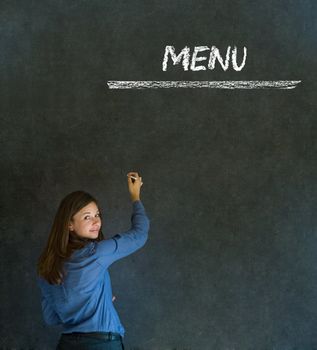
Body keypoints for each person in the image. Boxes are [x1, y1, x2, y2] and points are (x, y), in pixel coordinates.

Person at [37, 172, 149, 350]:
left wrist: (92, 303)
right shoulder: (96, 253)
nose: (96, 221)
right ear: (69, 224)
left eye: (97, 215)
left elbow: (51, 318)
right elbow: (140, 235)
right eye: (87, 217)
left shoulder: (46, 266)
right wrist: (135, 196)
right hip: (102, 344)